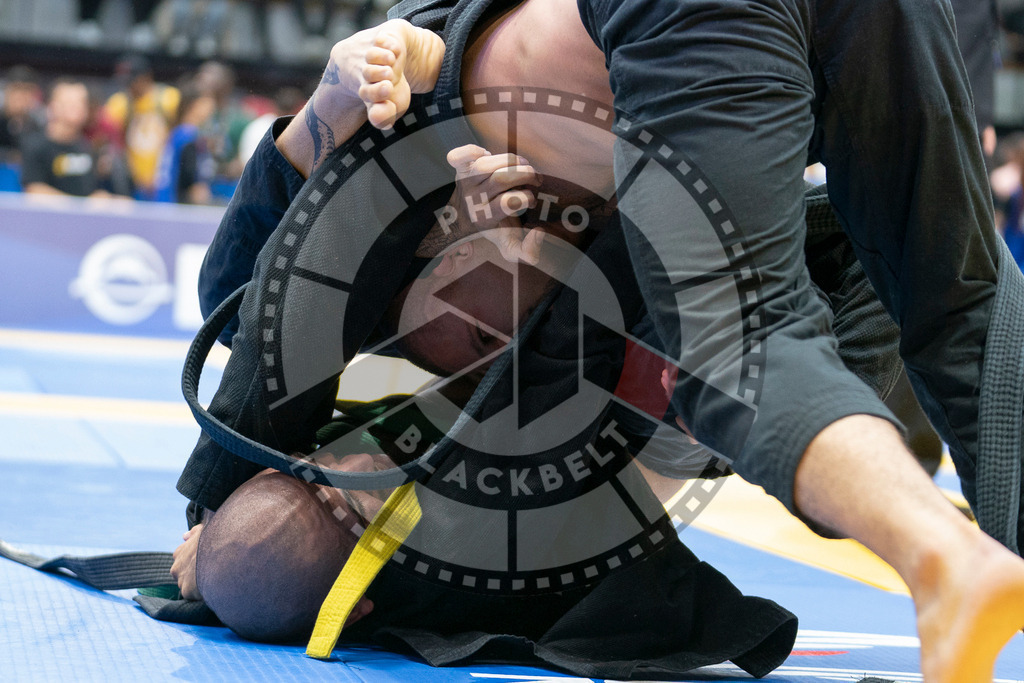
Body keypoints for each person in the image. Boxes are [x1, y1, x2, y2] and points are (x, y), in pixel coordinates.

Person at [179, 6, 1024, 680]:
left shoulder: (387, 196)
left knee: (782, 336)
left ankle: (945, 558)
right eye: (340, 503)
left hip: (682, 52)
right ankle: (962, 558)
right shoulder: (514, 482)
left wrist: (215, 508)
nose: (335, 474)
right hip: (800, 48)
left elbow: (251, 300)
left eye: (311, 474)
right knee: (959, 304)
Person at [99, 54, 180, 200]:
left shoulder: (169, 98)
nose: (129, 86)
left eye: (133, 81)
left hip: (164, 180)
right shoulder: (120, 103)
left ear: (146, 77)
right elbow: (104, 131)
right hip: (134, 183)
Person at [20, 79, 108, 198]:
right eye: (71, 103)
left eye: (82, 102)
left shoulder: (87, 146)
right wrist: (78, 205)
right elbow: (34, 190)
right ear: (53, 106)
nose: (79, 108)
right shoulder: (36, 146)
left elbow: (91, 190)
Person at [153, 79, 217, 205]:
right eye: (207, 101)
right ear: (193, 105)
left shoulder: (178, 132)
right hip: (175, 205)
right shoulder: (188, 136)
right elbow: (192, 185)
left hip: (165, 202)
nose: (212, 106)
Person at [0, 66, 44, 165]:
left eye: (27, 91)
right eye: (16, 89)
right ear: (6, 91)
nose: (20, 96)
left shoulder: (38, 126)